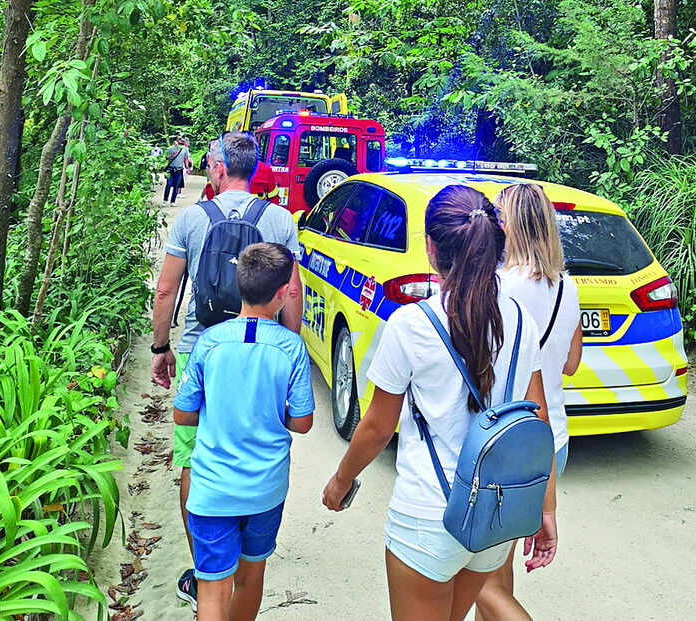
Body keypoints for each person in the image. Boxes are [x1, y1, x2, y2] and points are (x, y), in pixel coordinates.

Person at [322, 185, 559, 621]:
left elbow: (376, 428)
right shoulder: (522, 322)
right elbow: (537, 420)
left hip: (426, 516)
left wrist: (340, 481)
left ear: (431, 248)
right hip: (491, 519)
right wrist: (545, 508)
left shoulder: (412, 325)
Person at [150, 131, 303, 611]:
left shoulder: (193, 217)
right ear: (256, 170)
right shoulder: (277, 218)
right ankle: (244, 553)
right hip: (262, 351)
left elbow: (166, 290)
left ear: (216, 168)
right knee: (255, 437)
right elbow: (293, 293)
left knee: (193, 458)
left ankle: (206, 567)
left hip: (202, 348)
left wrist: (161, 347)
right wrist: (289, 345)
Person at [173, 242, 314, 621]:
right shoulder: (292, 348)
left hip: (213, 488)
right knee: (251, 576)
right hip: (265, 489)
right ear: (284, 292)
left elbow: (182, 415)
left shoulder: (209, 342)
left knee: (212, 584)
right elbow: (302, 422)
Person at [475, 183, 582, 620]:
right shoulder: (568, 287)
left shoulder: (498, 286)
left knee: (480, 572)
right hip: (553, 439)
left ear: (506, 226)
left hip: (506, 441)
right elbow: (571, 363)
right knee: (497, 570)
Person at [203, 158, 280, 205]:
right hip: (256, 217)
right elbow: (274, 198)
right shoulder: (265, 169)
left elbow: (210, 191)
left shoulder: (222, 166)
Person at [164, 137, 190, 205]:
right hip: (170, 169)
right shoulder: (170, 149)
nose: (181, 141)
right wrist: (172, 155)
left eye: (182, 140)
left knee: (176, 186)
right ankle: (165, 199)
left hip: (179, 170)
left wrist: (187, 168)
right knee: (168, 184)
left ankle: (173, 201)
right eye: (180, 139)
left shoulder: (184, 150)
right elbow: (166, 158)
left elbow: (186, 159)